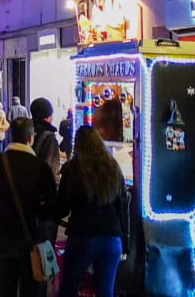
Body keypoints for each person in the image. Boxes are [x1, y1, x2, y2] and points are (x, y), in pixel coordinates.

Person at [0, 119, 59, 297]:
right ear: (30, 138)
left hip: (3, 236)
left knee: (6, 289)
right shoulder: (40, 168)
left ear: (9, 136)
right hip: (31, 239)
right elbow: (52, 207)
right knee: (31, 290)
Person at [51, 126, 128, 297]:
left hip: (82, 237)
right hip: (112, 238)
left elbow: (62, 208)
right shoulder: (113, 167)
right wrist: (125, 242)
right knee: (106, 291)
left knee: (69, 288)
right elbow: (122, 206)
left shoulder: (73, 169)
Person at [27, 98, 63, 183]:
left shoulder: (26, 130)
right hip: (39, 186)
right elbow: (51, 169)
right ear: (48, 117)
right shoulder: (49, 137)